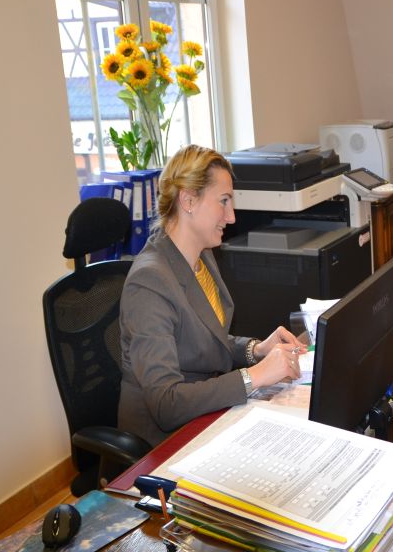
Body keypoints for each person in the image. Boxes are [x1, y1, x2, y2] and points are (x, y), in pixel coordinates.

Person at [118, 145, 305, 446]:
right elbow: (166, 404)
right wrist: (255, 376)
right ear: (188, 200)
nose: (231, 217)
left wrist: (257, 350)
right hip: (164, 443)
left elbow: (203, 340)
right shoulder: (149, 283)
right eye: (224, 201)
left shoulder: (201, 255)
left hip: (209, 415)